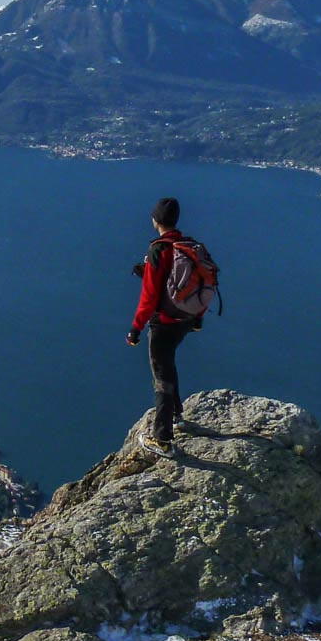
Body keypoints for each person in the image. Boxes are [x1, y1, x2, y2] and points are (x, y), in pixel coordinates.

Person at [126, 196, 195, 457]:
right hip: (186, 320)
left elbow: (150, 296)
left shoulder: (159, 250)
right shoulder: (187, 246)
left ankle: (163, 440)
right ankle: (177, 415)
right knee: (169, 362)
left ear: (155, 220)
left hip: (164, 322)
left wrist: (135, 329)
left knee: (162, 377)